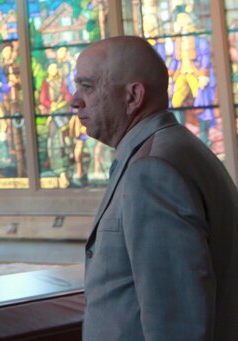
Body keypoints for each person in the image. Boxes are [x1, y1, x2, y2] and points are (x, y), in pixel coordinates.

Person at [72, 36, 238, 340]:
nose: (74, 100)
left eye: (88, 86)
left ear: (133, 96)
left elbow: (178, 323)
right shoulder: (176, 148)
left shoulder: (153, 171)